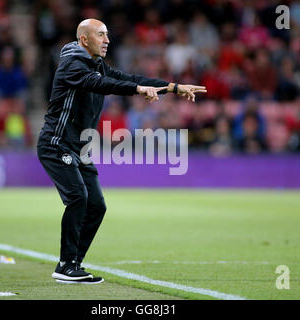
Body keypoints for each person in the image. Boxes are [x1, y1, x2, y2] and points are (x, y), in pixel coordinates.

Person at [36, 19, 207, 284]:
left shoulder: (97, 65)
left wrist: (172, 87)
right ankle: (66, 265)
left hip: (80, 148)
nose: (107, 40)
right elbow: (103, 85)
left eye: (107, 35)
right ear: (84, 40)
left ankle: (73, 264)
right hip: (56, 143)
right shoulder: (71, 65)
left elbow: (127, 78)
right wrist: (139, 90)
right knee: (78, 197)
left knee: (96, 206)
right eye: (100, 35)